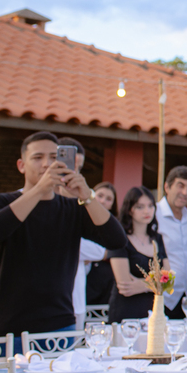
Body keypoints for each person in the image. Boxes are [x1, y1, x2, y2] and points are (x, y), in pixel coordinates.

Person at [0, 131, 128, 351]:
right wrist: (40, 189)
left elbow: (116, 239)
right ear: (21, 165)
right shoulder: (1, 201)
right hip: (7, 330)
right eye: (38, 158)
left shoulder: (71, 209)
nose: (47, 164)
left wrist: (87, 196)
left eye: (53, 157)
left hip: (58, 328)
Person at [55, 137, 111, 324]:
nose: (71, 173)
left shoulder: (83, 207)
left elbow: (110, 245)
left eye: (77, 168)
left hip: (74, 302)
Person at [108, 186, 170, 323]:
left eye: (150, 206)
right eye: (140, 207)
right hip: (125, 311)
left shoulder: (157, 238)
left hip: (154, 309)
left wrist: (141, 285)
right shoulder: (119, 238)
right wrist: (155, 283)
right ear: (130, 210)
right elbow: (125, 286)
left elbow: (169, 278)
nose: (147, 211)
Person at [157, 166, 187, 319]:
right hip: (165, 297)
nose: (185, 192)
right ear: (167, 187)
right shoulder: (154, 215)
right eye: (180, 186)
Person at [85, 182, 118, 305]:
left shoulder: (114, 229)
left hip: (105, 291)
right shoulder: (78, 219)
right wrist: (106, 254)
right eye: (100, 196)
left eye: (109, 199)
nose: (103, 201)